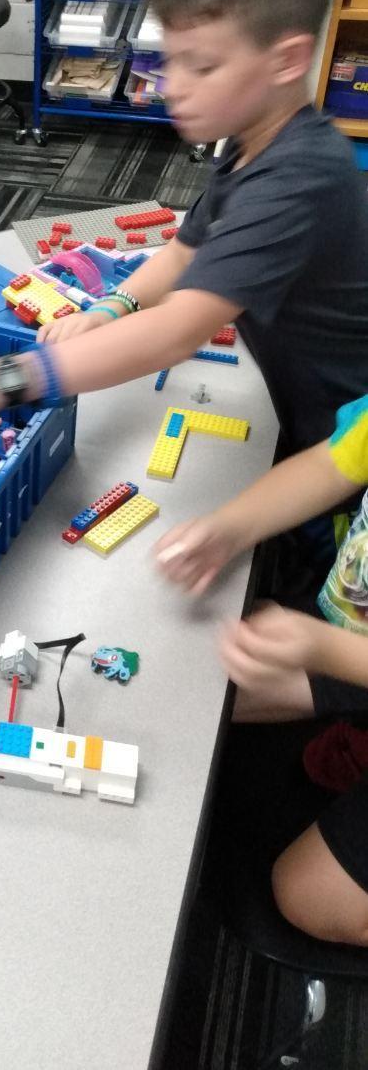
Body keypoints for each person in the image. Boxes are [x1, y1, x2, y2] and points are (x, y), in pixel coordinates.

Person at [0, 0, 368, 477]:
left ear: (286, 61)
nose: (172, 86)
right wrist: (111, 307)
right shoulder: (257, 144)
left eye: (202, 66)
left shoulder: (299, 177)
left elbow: (175, 333)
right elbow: (184, 249)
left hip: (341, 437)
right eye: (170, 61)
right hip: (301, 408)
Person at [156, 393, 368, 945]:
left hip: (345, 652)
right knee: (195, 684)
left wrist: (323, 650)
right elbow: (335, 461)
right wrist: (229, 527)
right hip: (350, 644)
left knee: (305, 893)